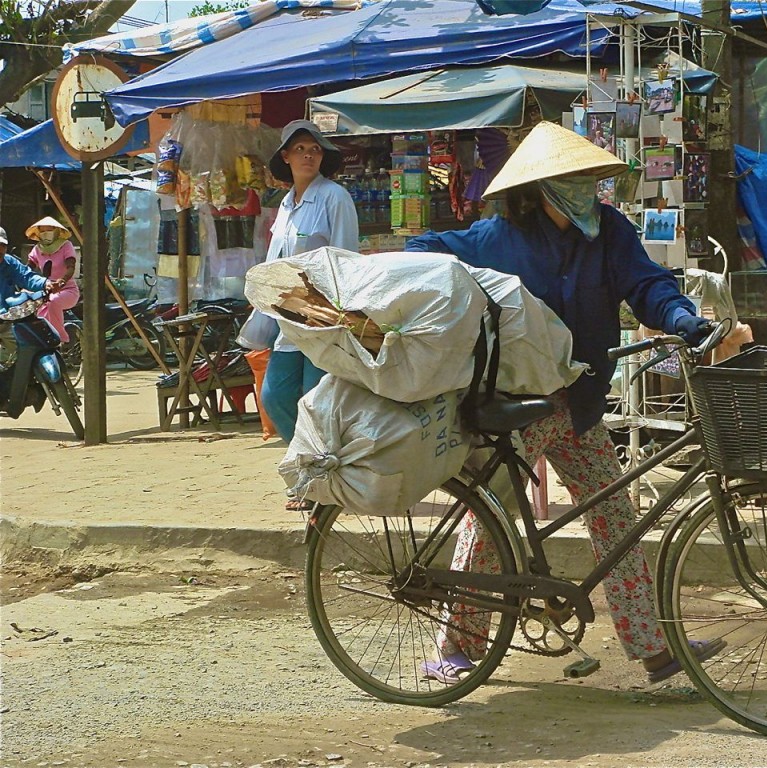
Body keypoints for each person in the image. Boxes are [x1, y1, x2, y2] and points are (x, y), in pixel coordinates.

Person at [405, 121, 723, 687]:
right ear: (542, 187)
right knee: (490, 525)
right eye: (572, 180)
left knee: (615, 521)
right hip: (514, 408)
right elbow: (422, 251)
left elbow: (648, 285)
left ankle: (653, 647)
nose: (586, 190)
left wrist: (682, 320)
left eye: (588, 179)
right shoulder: (494, 239)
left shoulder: (609, 233)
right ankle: (455, 649)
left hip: (578, 404)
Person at [249, 120, 358, 489]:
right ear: (286, 157)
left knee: (317, 403)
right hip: (287, 318)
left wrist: (342, 312)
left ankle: (317, 485)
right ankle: (312, 469)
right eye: (300, 149)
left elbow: (346, 257)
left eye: (314, 149)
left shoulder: (334, 197)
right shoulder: (285, 205)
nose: (308, 155)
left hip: (323, 317)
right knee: (275, 396)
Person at [0, 225, 62, 407]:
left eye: (2, 246)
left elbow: (27, 277)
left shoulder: (9, 262)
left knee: (18, 352)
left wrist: (46, 284)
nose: (0, 250)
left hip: (8, 317)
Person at [25, 217, 79, 343]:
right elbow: (27, 269)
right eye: (42, 231)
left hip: (67, 290)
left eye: (49, 230)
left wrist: (62, 281)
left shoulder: (66, 245)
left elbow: (71, 267)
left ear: (56, 231)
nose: (46, 233)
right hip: (46, 290)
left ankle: (61, 340)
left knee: (53, 301)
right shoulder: (38, 249)